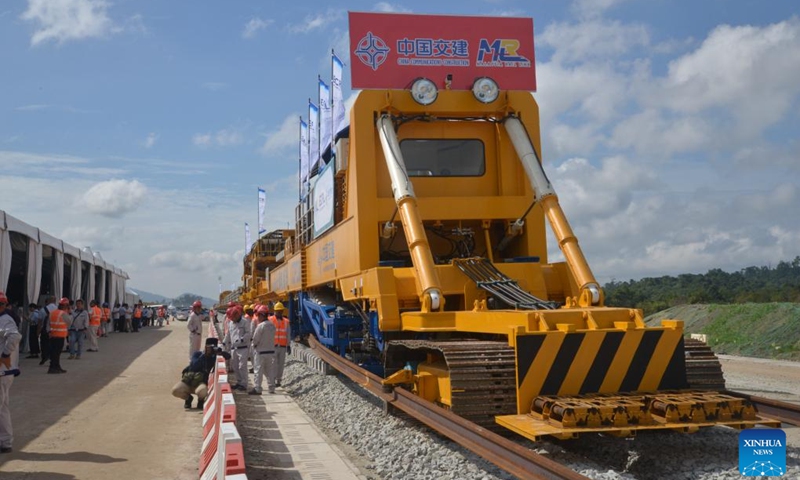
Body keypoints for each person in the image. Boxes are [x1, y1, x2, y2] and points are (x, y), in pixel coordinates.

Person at [171, 338, 225, 410]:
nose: (210, 349)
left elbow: (228, 356)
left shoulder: (214, 357)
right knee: (175, 390)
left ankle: (200, 400)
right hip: (189, 381)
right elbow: (194, 366)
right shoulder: (197, 354)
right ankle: (188, 398)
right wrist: (204, 355)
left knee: (202, 391)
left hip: (200, 383)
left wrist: (220, 353)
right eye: (209, 347)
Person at [0, 292, 22, 454]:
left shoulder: (4, 319)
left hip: (2, 371)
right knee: (3, 408)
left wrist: (5, 355)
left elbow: (15, 336)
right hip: (5, 372)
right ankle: (5, 442)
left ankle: (6, 441)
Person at [222, 305, 251, 391]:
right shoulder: (231, 323)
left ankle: (244, 384)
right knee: (235, 367)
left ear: (237, 315)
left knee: (242, 366)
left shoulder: (245, 322)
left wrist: (242, 340)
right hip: (234, 348)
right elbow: (228, 334)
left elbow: (248, 334)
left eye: (232, 318)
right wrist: (224, 342)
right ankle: (239, 382)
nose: (232, 320)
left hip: (243, 347)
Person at [248, 305, 276, 395]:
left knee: (258, 370)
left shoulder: (260, 326)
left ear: (262, 315)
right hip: (270, 351)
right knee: (270, 370)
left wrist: (254, 346)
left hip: (260, 352)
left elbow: (255, 339)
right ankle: (271, 387)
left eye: (259, 315)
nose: (258, 317)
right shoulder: (272, 325)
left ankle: (258, 388)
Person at [269, 302, 291, 387]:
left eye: (280, 311)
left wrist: (288, 345)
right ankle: (273, 379)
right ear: (274, 311)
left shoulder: (286, 322)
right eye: (277, 311)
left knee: (281, 364)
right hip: (273, 346)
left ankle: (278, 381)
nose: (279, 313)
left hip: (282, 346)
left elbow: (288, 334)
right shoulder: (270, 320)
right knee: (273, 364)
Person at [48, 298, 71, 374]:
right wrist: (68, 312)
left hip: (52, 335)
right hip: (60, 336)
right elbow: (69, 322)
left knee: (53, 352)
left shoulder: (52, 313)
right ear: (65, 306)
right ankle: (54, 368)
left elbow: (48, 324)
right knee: (57, 353)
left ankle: (55, 367)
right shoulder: (63, 313)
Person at [39, 297, 56, 366]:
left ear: (48, 301)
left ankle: (44, 356)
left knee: (44, 344)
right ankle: (53, 358)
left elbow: (40, 322)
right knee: (54, 345)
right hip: (55, 329)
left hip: (45, 329)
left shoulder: (42, 310)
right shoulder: (58, 309)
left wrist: (38, 331)